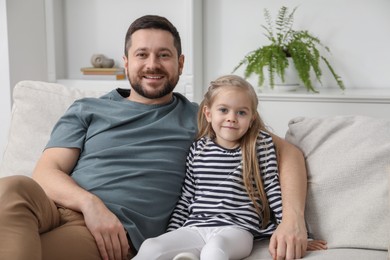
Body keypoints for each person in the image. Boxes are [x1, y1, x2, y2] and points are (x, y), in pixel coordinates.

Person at [0, 15, 308, 260]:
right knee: (10, 187)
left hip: (109, 234)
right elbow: (45, 172)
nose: (152, 64)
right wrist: (91, 204)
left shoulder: (203, 117)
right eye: (142, 54)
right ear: (126, 61)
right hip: (58, 207)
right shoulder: (87, 109)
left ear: (180, 63)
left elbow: (287, 153)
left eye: (164, 55)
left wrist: (291, 220)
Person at [133, 75, 327, 260]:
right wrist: (172, 234)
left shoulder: (261, 146)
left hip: (237, 231)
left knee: (215, 249)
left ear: (251, 119)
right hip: (195, 228)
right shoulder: (197, 149)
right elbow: (186, 199)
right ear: (208, 114)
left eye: (241, 112)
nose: (232, 118)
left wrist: (297, 231)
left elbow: (273, 191)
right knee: (152, 247)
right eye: (223, 110)